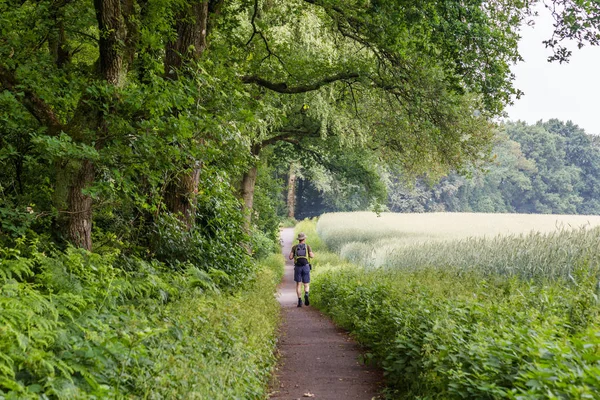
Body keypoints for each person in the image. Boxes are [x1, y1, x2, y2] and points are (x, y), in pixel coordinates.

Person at [289, 232, 315, 307]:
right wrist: (312, 254)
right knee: (306, 284)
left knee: (298, 284)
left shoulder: (294, 247)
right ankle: (306, 293)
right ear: (304, 239)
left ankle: (299, 300)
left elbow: (290, 257)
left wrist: (294, 255)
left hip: (297, 267)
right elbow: (311, 256)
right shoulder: (307, 246)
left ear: (299, 239)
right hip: (306, 266)